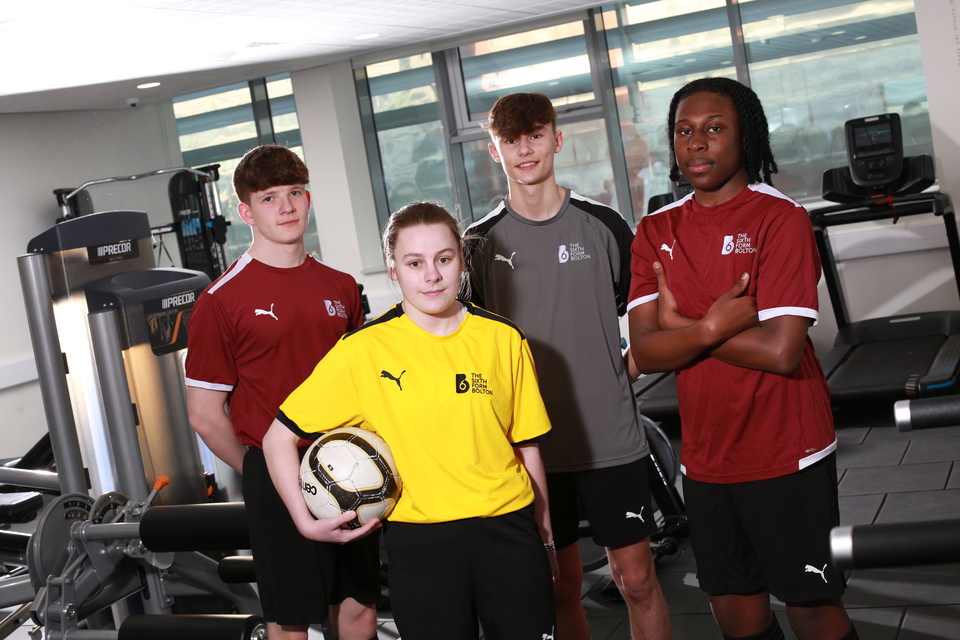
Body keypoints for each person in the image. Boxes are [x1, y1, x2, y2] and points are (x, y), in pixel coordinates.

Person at [627, 77, 858, 640]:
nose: (696, 143)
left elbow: (781, 350)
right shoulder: (656, 229)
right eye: (684, 131)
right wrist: (711, 325)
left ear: (746, 138)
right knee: (735, 611)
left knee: (811, 608)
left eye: (713, 129)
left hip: (786, 448)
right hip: (706, 458)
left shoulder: (781, 218)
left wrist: (683, 327)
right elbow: (647, 351)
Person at [261, 201, 557, 640]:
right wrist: (305, 521)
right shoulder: (363, 350)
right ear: (393, 270)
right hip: (420, 546)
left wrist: (545, 538)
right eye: (414, 263)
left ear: (462, 258)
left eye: (444, 259)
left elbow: (527, 446)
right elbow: (277, 438)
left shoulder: (503, 338)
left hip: (509, 532)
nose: (432, 276)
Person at [466, 92, 672, 640]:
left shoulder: (603, 225)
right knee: (558, 589)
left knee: (637, 581)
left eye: (535, 135)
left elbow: (652, 316)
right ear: (495, 151)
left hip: (611, 440)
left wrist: (622, 367)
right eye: (511, 140)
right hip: (532, 450)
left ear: (557, 140)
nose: (524, 149)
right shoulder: (478, 245)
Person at [184, 144, 380, 640]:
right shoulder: (220, 300)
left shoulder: (340, 287)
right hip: (276, 479)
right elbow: (205, 416)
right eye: (270, 198)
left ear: (308, 198)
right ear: (246, 211)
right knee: (289, 622)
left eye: (294, 193)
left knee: (358, 608)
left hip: (350, 467)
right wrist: (268, 473)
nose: (287, 207)